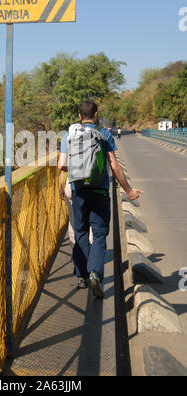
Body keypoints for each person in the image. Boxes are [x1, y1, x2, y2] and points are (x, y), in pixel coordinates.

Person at [58, 101, 142, 298]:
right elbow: (114, 166)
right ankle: (96, 272)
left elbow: (62, 165)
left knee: (79, 232)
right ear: (96, 114)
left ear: (79, 116)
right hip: (100, 192)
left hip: (78, 190)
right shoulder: (104, 135)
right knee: (98, 234)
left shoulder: (69, 135)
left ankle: (82, 276)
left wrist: (79, 171)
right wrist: (128, 190)